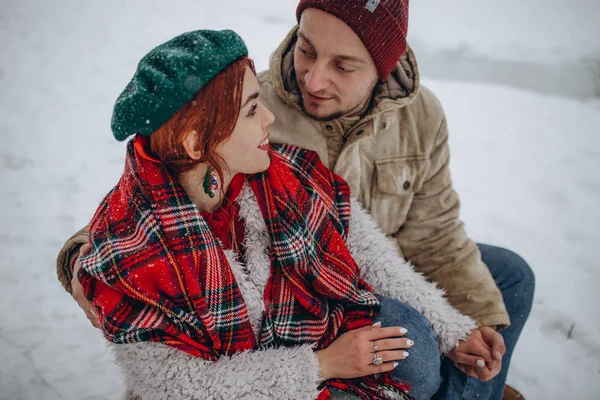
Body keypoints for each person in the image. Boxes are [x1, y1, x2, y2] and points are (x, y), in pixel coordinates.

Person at [57, 1, 535, 399]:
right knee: (413, 344)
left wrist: (466, 329)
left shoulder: (411, 118)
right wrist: (82, 261)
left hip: (354, 264)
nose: (313, 80)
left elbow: (432, 233)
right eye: (306, 49)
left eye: (344, 66)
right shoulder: (237, 107)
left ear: (381, 69)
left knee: (510, 277)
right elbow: (136, 210)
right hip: (304, 290)